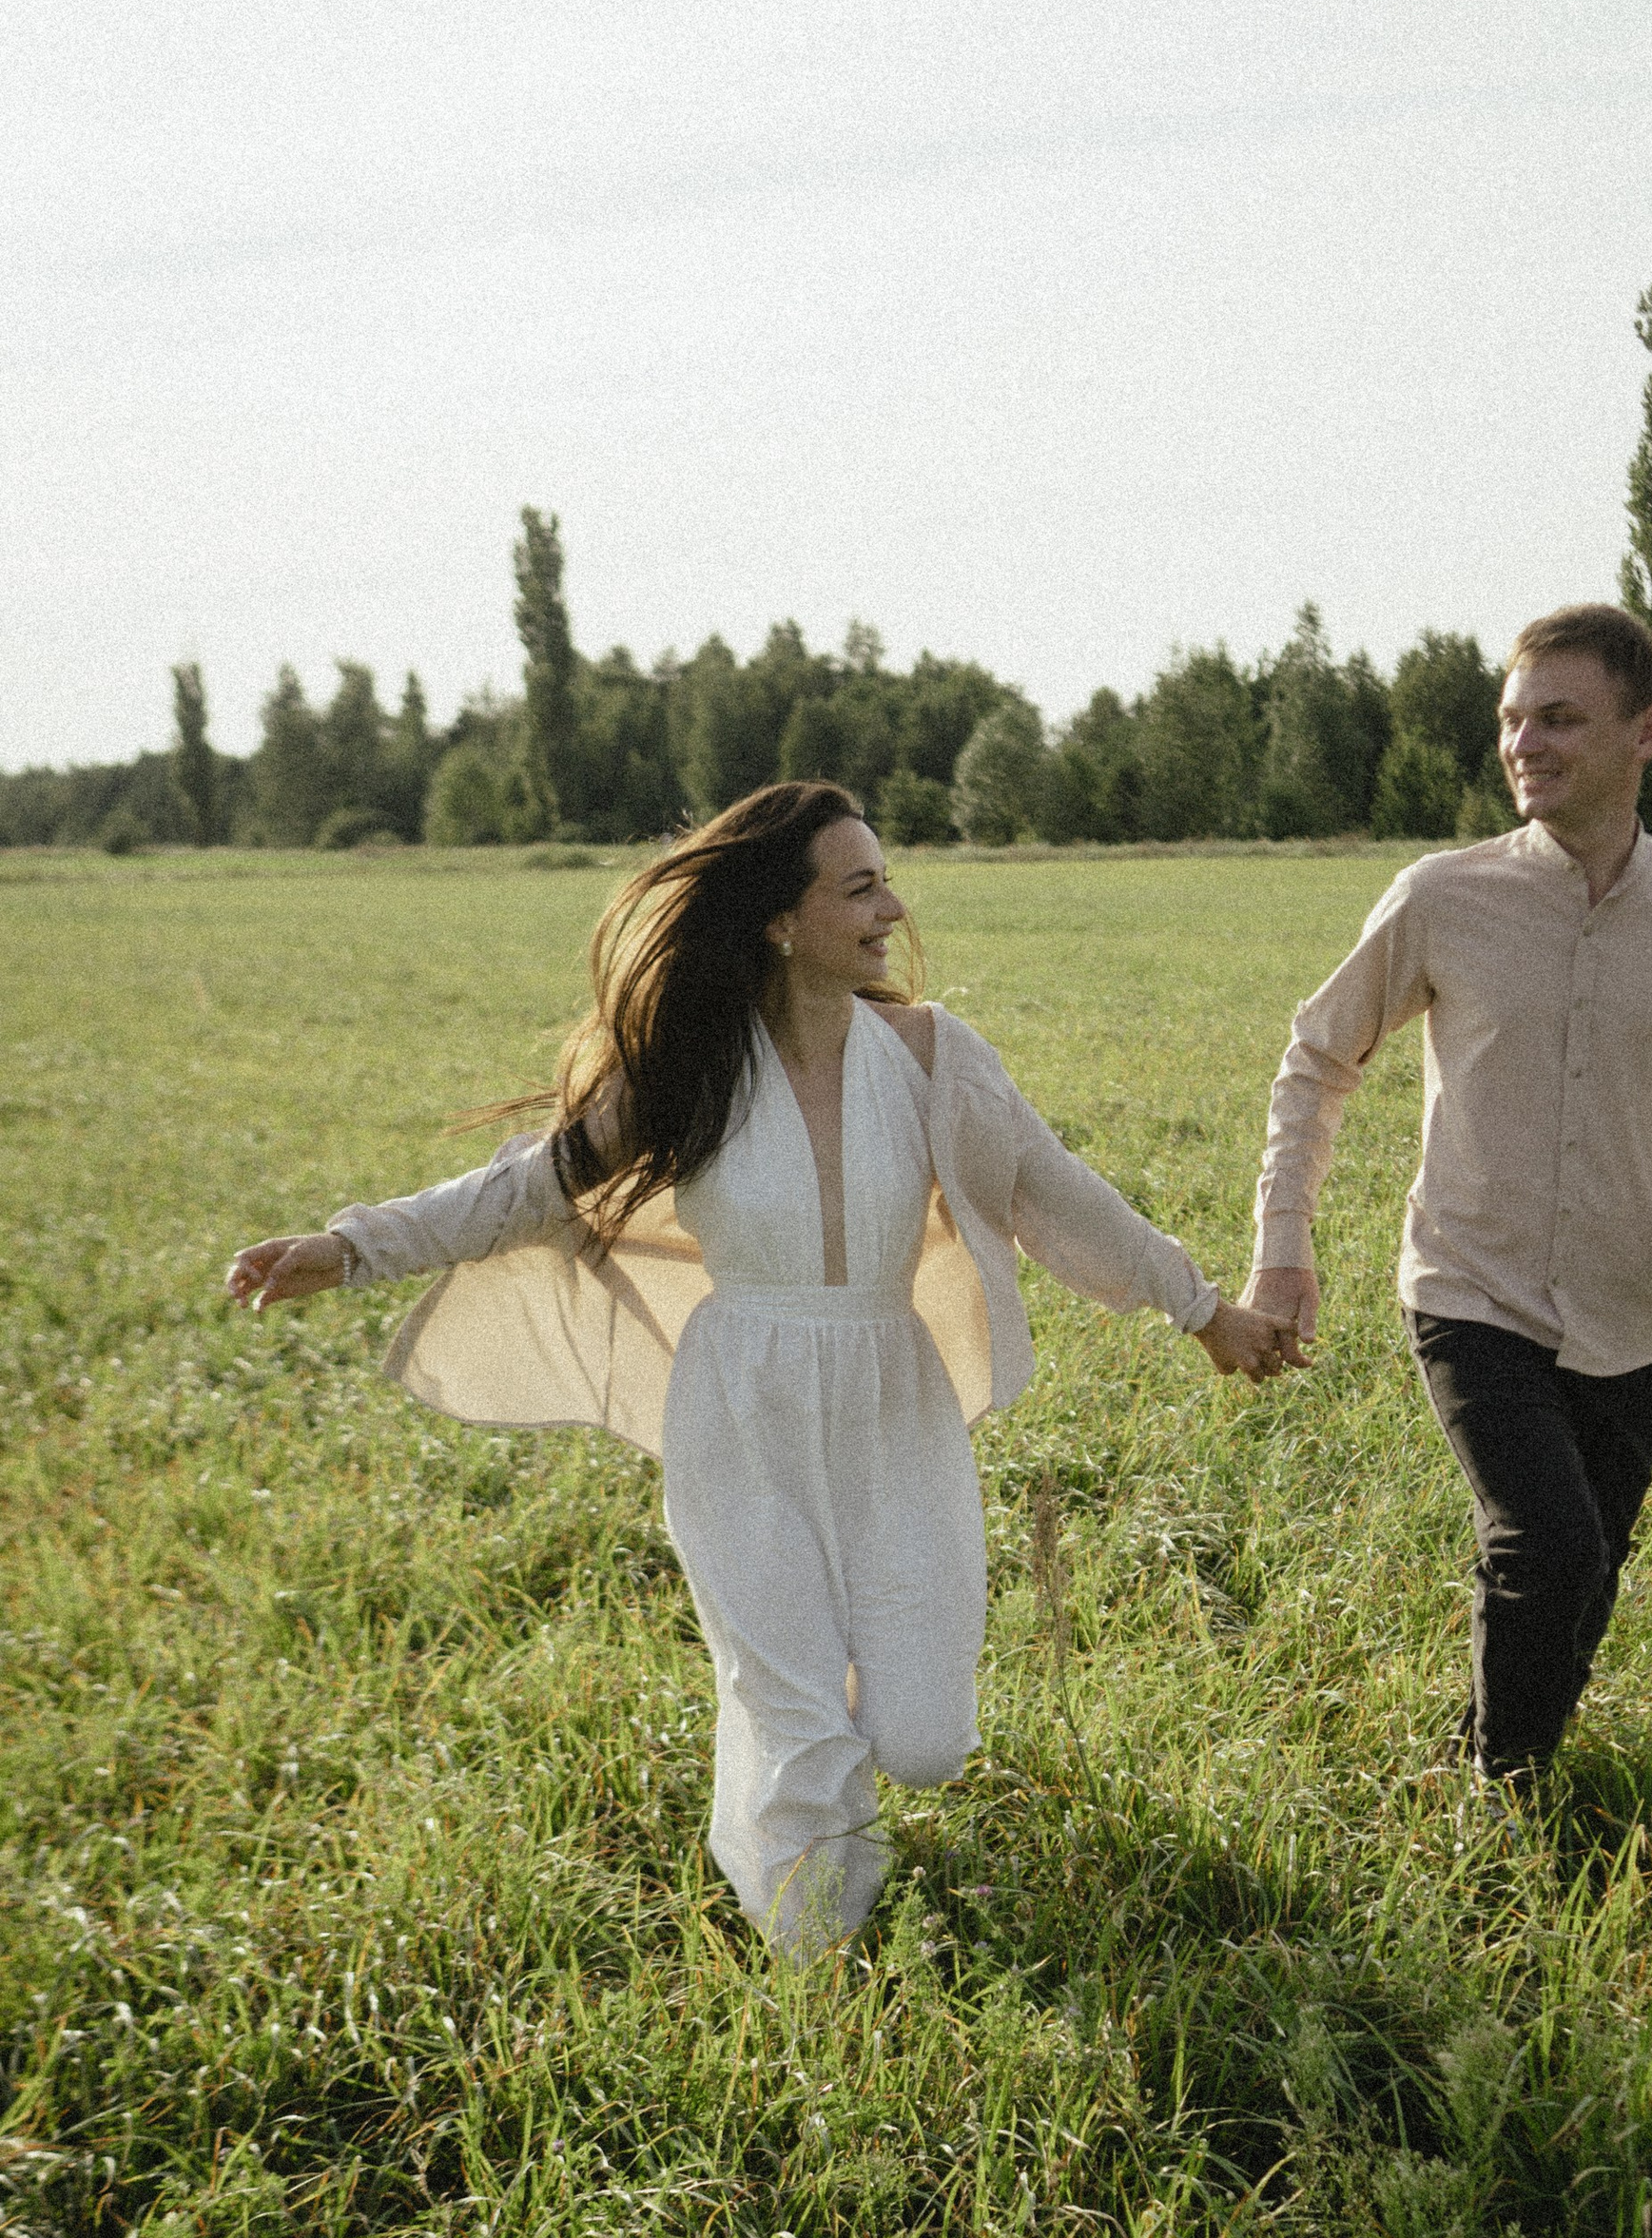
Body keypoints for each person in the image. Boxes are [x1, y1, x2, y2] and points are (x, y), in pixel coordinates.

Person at [229, 780, 1298, 1948]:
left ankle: (816, 1712)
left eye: (886, 882)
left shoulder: (933, 1055)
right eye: (861, 888)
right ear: (782, 921)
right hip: (739, 1407)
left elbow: (1057, 1190)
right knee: (797, 1718)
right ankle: (816, 1954)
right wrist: (352, 1248)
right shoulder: (689, 1067)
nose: (893, 909)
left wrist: (1203, 1311)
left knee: (924, 1741)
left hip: (894, 1402)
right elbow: (527, 1186)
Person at [1241, 604, 1652, 1795]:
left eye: (1558, 719)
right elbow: (1318, 1057)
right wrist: (1282, 1242)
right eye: (1512, 720)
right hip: (1471, 1288)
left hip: (1633, 1311)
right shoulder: (1439, 897)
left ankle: (1493, 1761)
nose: (1524, 745)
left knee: (1587, 1571)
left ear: (1644, 731)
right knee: (1547, 1545)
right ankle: (1501, 1804)